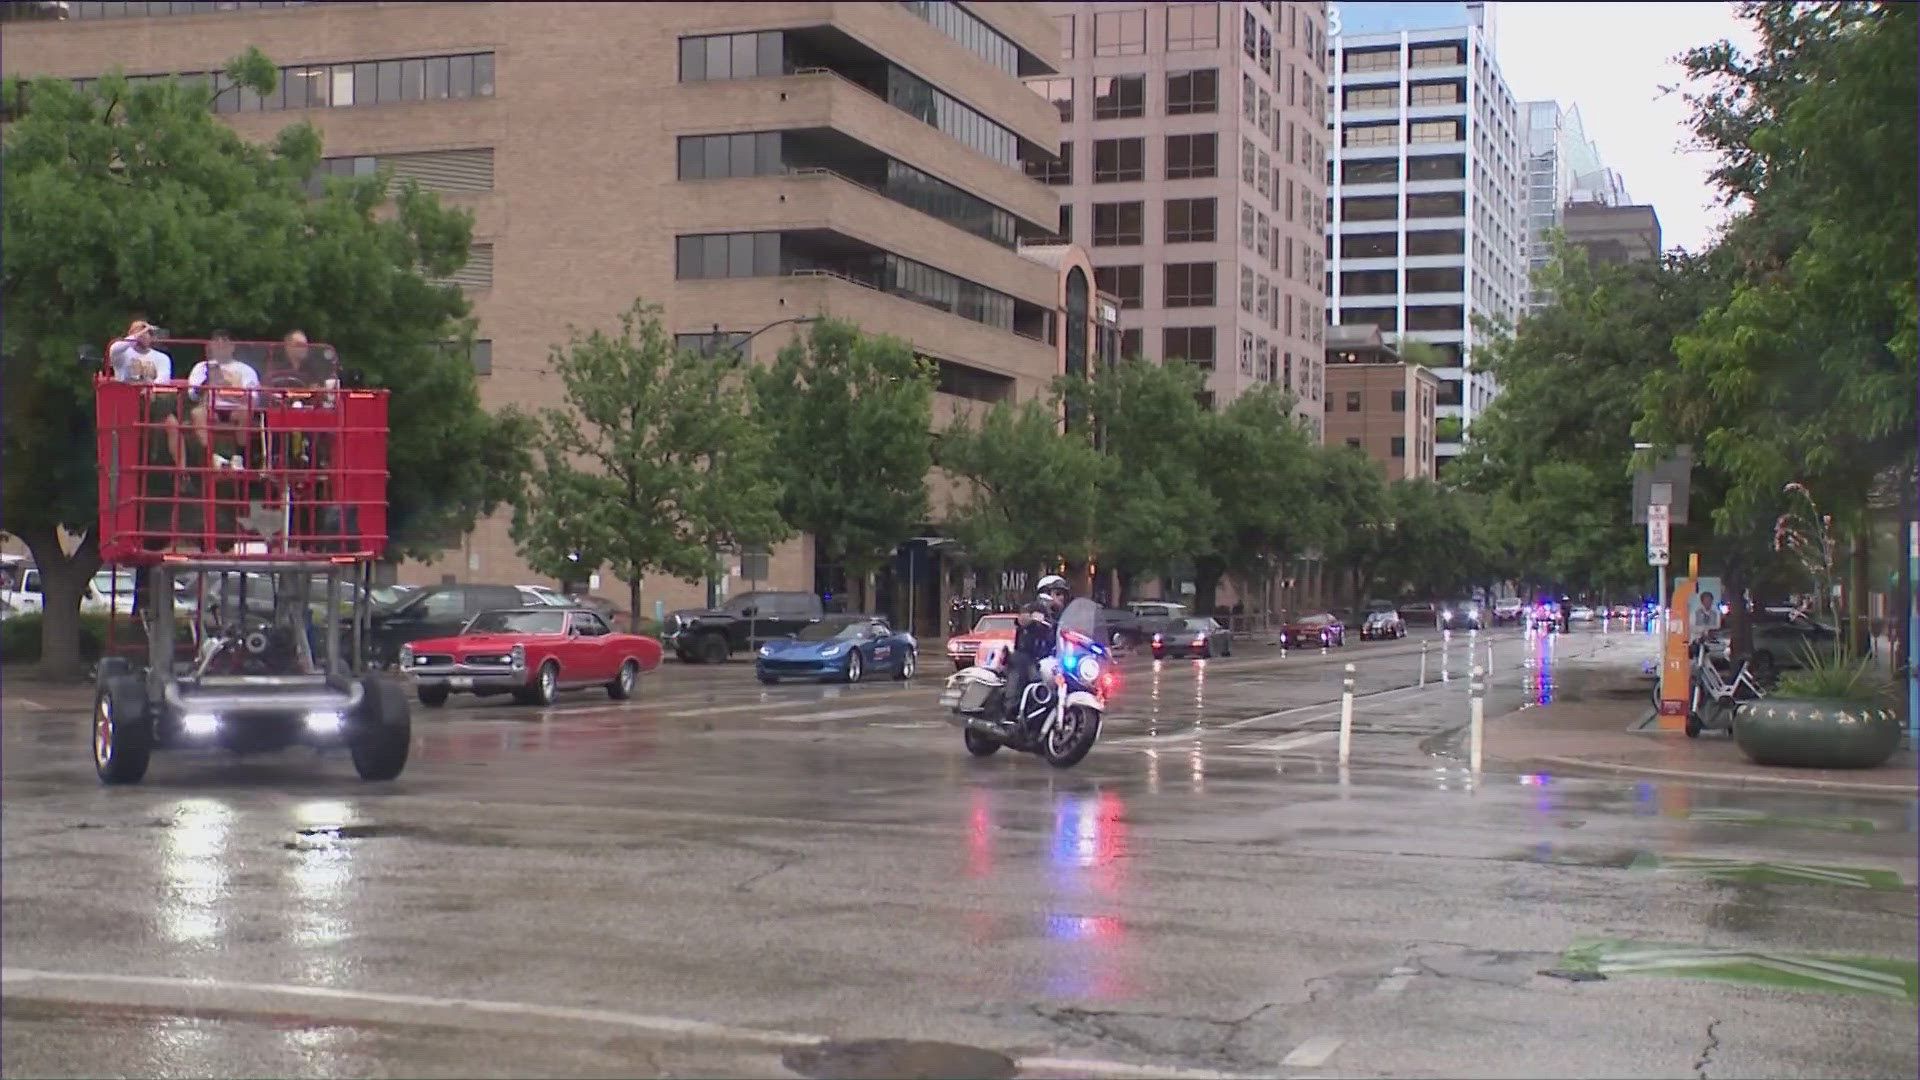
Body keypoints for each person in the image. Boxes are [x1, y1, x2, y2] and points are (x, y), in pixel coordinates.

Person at [1005, 574, 1072, 734]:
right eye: (1058, 593)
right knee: (1030, 673)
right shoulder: (1035, 607)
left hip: (1049, 659)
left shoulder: (1061, 617)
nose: (1062, 598)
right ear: (1047, 593)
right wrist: (1029, 618)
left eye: (1063, 594)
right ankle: (1011, 712)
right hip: (1026, 655)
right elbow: (1022, 619)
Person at [187, 330, 260, 470]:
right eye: (216, 341)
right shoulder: (202, 367)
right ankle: (212, 457)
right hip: (210, 407)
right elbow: (192, 395)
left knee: (245, 411)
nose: (220, 344)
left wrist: (233, 392)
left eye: (224, 341)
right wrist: (208, 381)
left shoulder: (245, 369)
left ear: (233, 346)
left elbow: (254, 398)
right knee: (197, 413)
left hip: (236, 408)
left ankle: (239, 457)